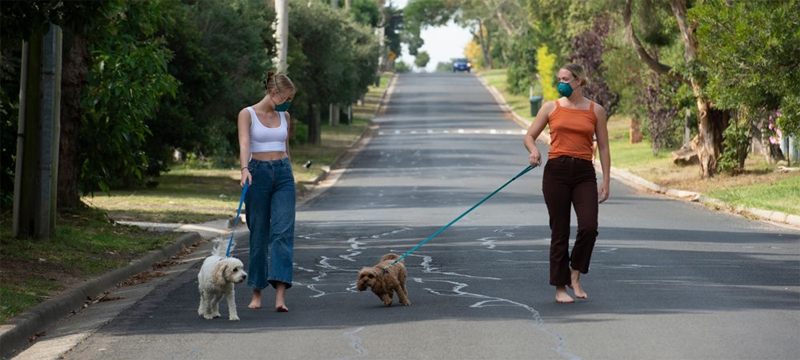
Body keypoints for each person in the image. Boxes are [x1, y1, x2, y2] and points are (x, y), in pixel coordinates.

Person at [523, 63, 610, 304]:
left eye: (566, 78)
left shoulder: (596, 110)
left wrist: (606, 180)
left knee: (589, 227)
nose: (561, 82)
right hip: (556, 172)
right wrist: (533, 151)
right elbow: (529, 136)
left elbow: (603, 146)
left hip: (583, 172)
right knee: (559, 231)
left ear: (579, 81)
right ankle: (560, 287)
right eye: (559, 78)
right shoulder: (551, 107)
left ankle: (575, 273)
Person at [238, 71, 297, 312]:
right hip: (257, 173)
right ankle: (257, 293)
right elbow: (244, 143)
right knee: (259, 233)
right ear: (274, 93)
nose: (288, 101)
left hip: (283, 174)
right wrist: (244, 169)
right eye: (287, 97)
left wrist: (291, 173)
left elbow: (286, 147)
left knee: (282, 233)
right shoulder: (247, 114)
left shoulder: (285, 115)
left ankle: (280, 296)